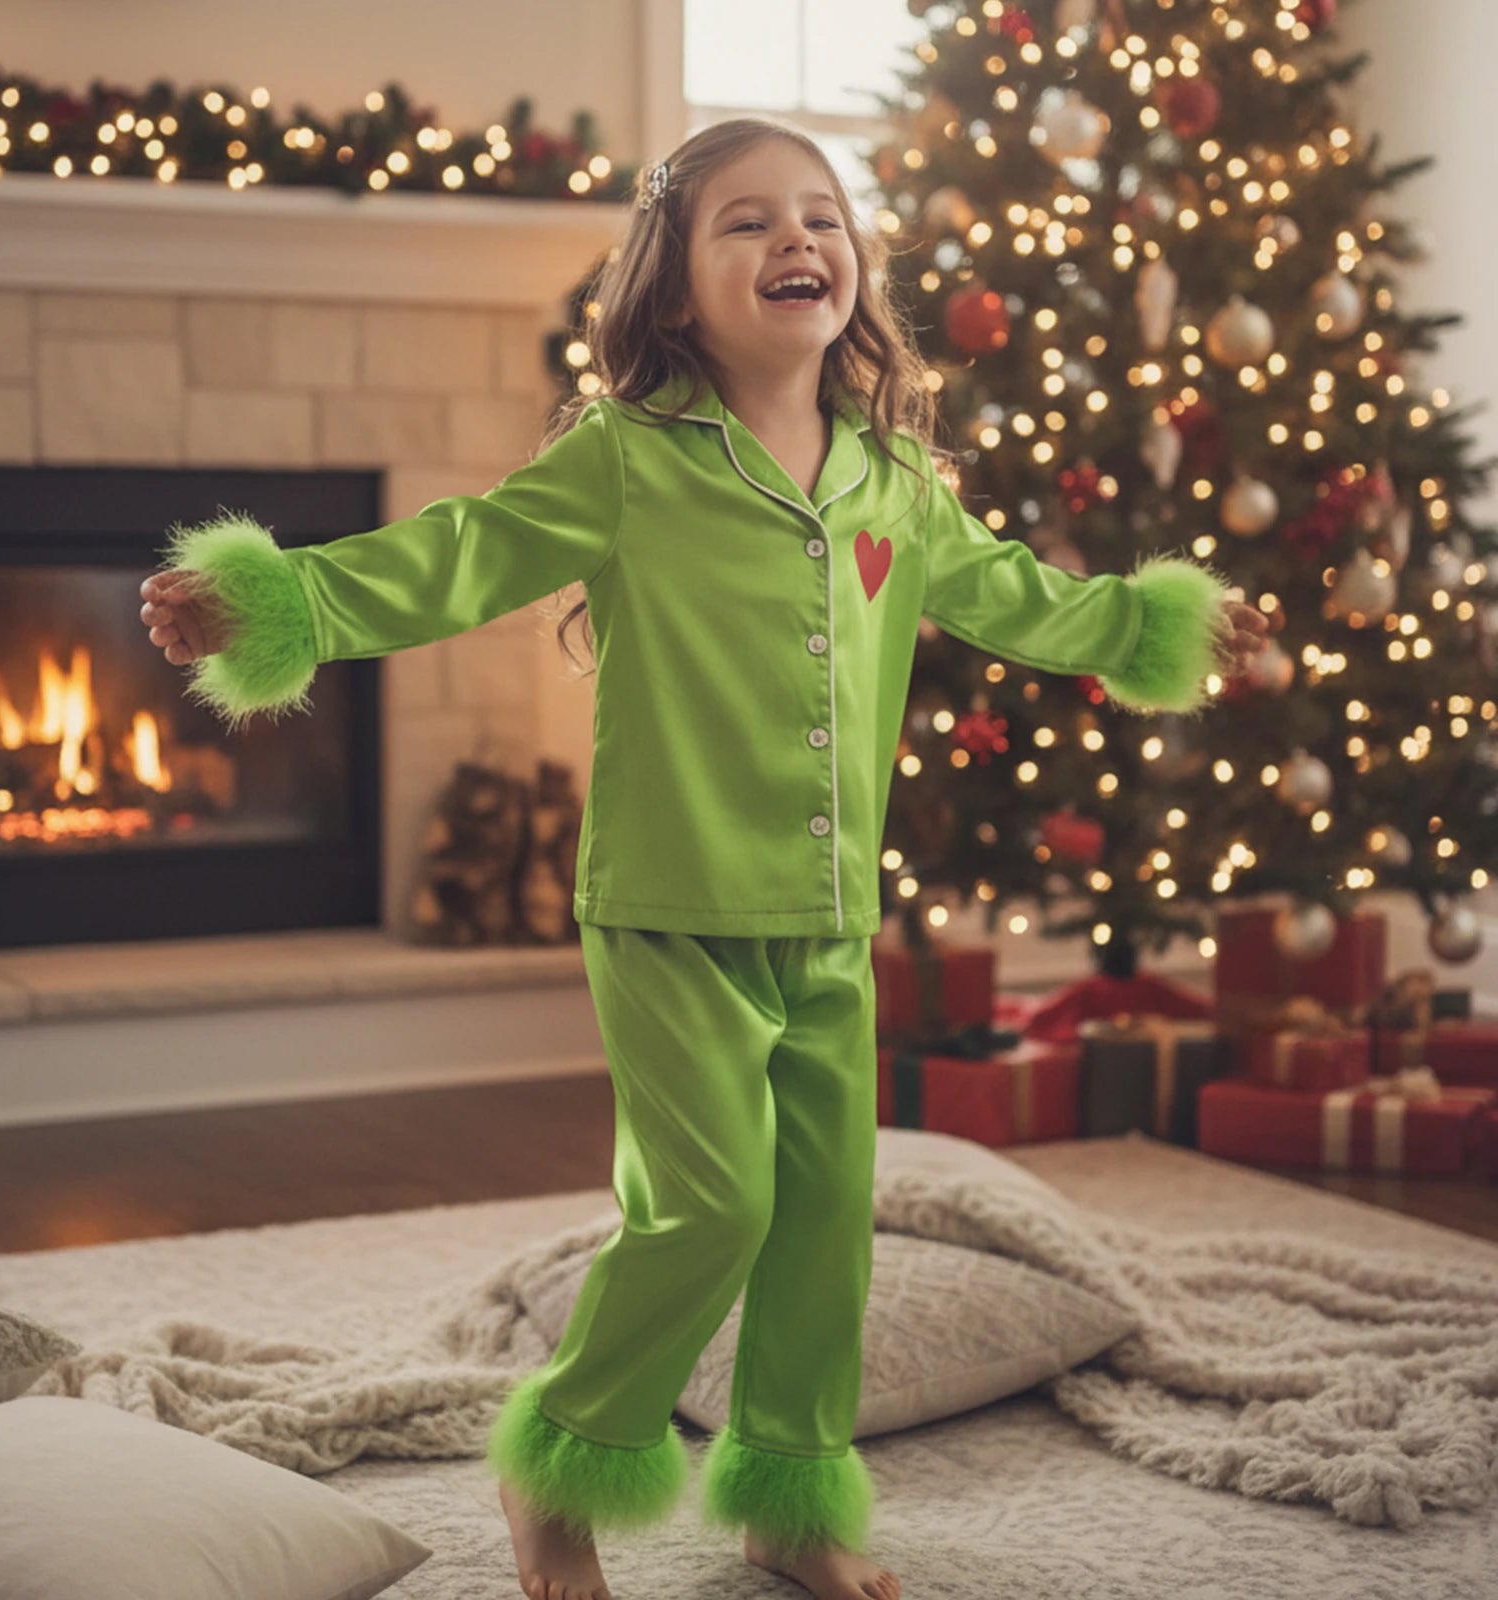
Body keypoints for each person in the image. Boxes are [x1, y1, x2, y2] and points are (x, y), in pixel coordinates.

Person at [139, 116, 1270, 1600]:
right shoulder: (625, 458)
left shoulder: (893, 482)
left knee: (822, 1227)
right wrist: (281, 601)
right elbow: (460, 551)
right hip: (668, 909)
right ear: (673, 286)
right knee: (712, 1208)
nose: (796, 240)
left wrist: (1158, 626)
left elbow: (1021, 598)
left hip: (828, 919)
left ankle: (791, 1498)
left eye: (822, 217)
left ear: (855, 269)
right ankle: (564, 1454)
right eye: (748, 222)